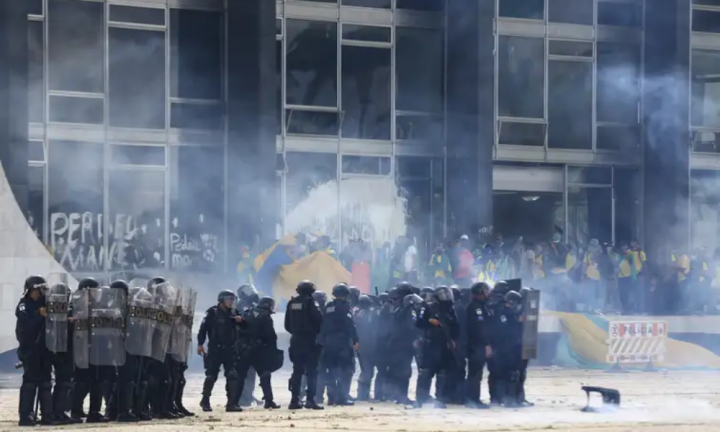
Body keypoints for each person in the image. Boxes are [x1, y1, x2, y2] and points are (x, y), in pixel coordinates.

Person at [16, 275, 54, 426]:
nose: (41, 292)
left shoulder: (45, 302)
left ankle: (47, 415)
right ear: (32, 289)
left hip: (44, 349)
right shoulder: (23, 305)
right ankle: (26, 416)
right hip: (30, 349)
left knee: (45, 383)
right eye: (39, 289)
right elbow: (27, 325)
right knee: (30, 383)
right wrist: (40, 315)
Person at [414, 286, 460, 408]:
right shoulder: (428, 307)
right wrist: (429, 321)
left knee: (443, 374)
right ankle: (420, 399)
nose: (446, 297)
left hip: (444, 344)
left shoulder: (450, 309)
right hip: (430, 344)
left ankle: (440, 399)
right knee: (426, 372)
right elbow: (419, 323)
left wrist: (453, 340)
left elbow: (455, 326)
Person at [198, 290, 242, 412]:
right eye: (229, 299)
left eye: (233, 299)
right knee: (211, 376)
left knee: (232, 375)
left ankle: (231, 403)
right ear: (221, 299)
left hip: (230, 349)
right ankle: (205, 401)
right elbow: (203, 329)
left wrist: (241, 321)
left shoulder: (234, 312)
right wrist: (200, 344)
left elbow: (244, 328)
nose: (231, 301)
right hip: (215, 349)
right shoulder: (212, 312)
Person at [235, 297, 282, 409]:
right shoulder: (266, 317)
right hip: (259, 350)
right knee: (265, 374)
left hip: (245, 349)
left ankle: (234, 401)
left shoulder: (248, 312)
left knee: (241, 376)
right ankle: (269, 401)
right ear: (267, 305)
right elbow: (270, 336)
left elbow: (240, 329)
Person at [285, 280, 324, 410]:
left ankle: (294, 400)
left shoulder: (292, 303)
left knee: (297, 371)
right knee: (312, 372)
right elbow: (319, 320)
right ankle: (310, 400)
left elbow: (287, 324)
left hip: (296, 340)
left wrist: (296, 333)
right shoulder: (311, 302)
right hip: (309, 341)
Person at [320, 283, 359, 406]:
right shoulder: (345, 307)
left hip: (328, 342)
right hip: (342, 343)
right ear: (346, 295)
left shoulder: (328, 307)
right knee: (346, 370)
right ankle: (342, 397)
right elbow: (350, 325)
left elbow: (323, 325)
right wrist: (355, 340)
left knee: (331, 370)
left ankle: (331, 397)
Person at [45, 282, 78, 424]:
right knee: (56, 383)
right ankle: (53, 412)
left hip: (64, 349)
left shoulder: (69, 309)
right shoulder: (48, 309)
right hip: (56, 349)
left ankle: (58, 411)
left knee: (64, 383)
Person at [487, 290, 524, 407]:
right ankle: (503, 399)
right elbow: (504, 331)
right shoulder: (502, 313)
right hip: (503, 348)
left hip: (507, 347)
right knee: (503, 374)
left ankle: (502, 398)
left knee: (506, 374)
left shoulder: (506, 313)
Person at [465, 282, 491, 409]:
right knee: (475, 374)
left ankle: (474, 398)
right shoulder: (475, 307)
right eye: (485, 291)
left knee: (477, 373)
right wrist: (486, 344)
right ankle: (472, 399)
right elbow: (479, 329)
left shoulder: (481, 306)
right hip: (476, 345)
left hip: (477, 345)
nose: (488, 293)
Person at [235, 284, 260, 407]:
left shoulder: (253, 306)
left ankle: (248, 395)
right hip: (243, 342)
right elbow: (248, 320)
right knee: (244, 372)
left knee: (251, 372)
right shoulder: (241, 306)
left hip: (251, 342)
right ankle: (243, 397)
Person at [354, 295, 377, 401]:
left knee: (366, 370)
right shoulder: (367, 314)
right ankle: (363, 395)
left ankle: (363, 394)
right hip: (367, 345)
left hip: (362, 345)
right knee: (367, 371)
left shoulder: (357, 313)